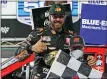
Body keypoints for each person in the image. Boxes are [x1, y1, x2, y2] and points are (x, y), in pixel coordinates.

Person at [15, 3, 96, 79]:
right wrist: (32, 48)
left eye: (60, 16)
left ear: (64, 17)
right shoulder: (37, 34)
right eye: (55, 16)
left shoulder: (72, 37)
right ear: (49, 17)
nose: (58, 19)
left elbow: (79, 61)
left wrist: (88, 61)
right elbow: (17, 57)